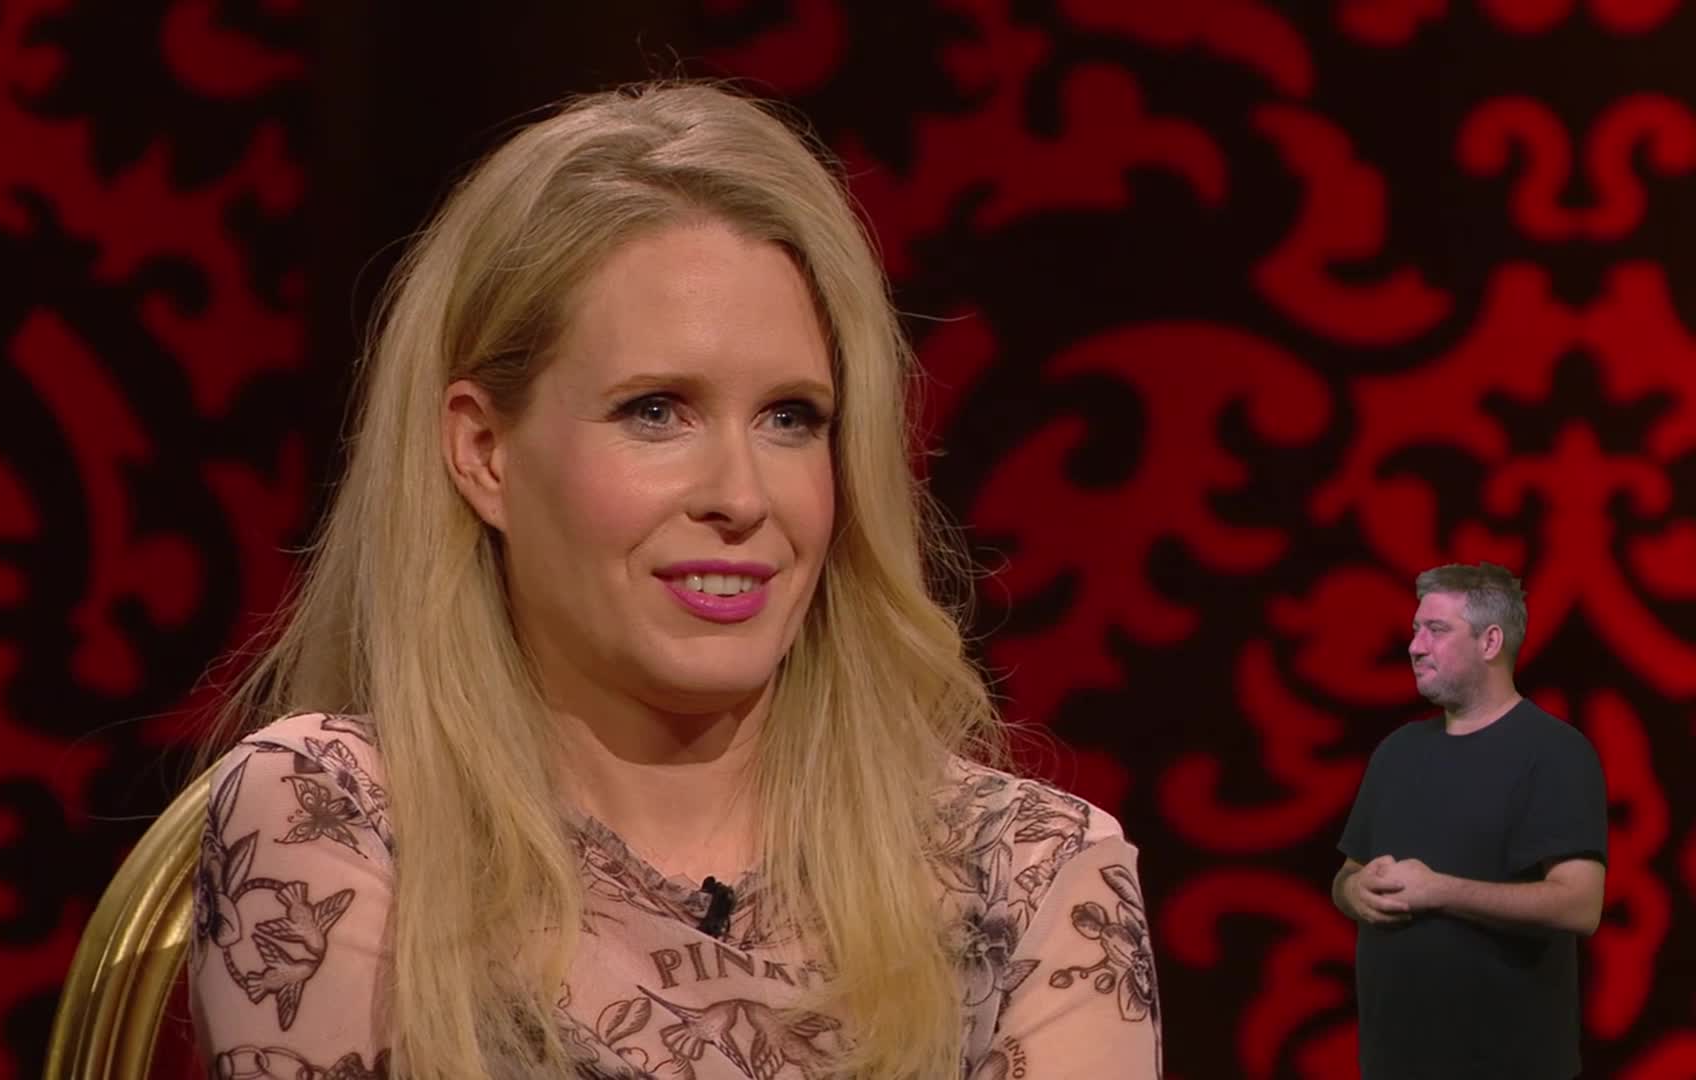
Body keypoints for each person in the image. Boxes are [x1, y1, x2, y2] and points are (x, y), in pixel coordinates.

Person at [186, 82, 1162, 1080]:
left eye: (790, 418)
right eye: (656, 411)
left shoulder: (1030, 874)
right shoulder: (336, 814)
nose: (741, 496)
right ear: (483, 452)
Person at [1333, 563, 1607, 1079]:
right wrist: (1354, 891)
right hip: (1392, 1065)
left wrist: (1438, 891)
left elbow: (1579, 904)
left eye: (1436, 630)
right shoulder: (1396, 752)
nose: (1415, 646)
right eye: (1416, 629)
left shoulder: (1556, 753)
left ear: (1490, 641)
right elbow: (1347, 875)